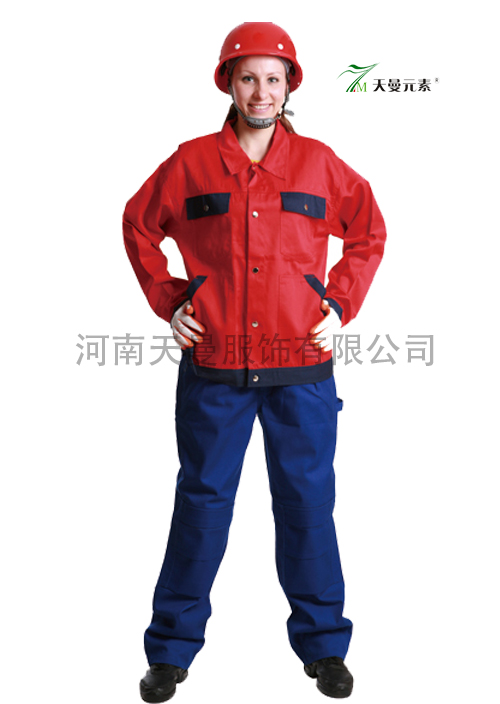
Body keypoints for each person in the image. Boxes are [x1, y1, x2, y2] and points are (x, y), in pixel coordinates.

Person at [123, 22, 386, 702]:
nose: (261, 92)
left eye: (274, 78)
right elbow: (137, 224)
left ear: (290, 85)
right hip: (215, 367)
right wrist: (170, 301)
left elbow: (368, 231)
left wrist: (340, 304)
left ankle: (324, 647)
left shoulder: (320, 164)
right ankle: (170, 652)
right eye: (248, 78)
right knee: (201, 505)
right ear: (229, 84)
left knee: (307, 506)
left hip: (301, 366)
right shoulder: (190, 163)